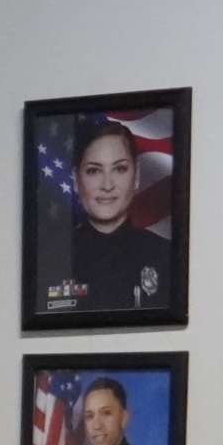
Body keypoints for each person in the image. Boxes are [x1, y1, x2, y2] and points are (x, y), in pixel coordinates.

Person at [43, 118, 176, 318]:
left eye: (120, 168)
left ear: (137, 175)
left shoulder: (166, 256)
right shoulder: (50, 258)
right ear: (76, 180)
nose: (107, 185)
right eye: (94, 170)